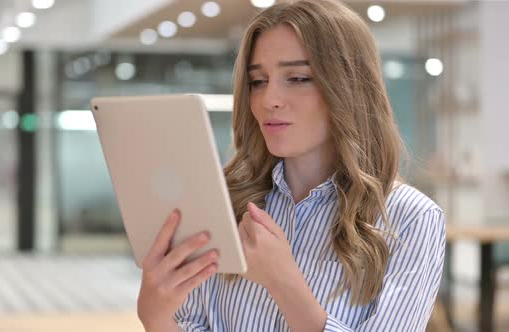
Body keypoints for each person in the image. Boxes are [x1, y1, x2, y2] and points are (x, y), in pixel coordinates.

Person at [137, 0, 446, 331]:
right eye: (258, 81)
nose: (269, 98)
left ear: (350, 87)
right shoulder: (226, 204)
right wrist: (156, 316)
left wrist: (284, 283)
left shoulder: (411, 218)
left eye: (297, 78)